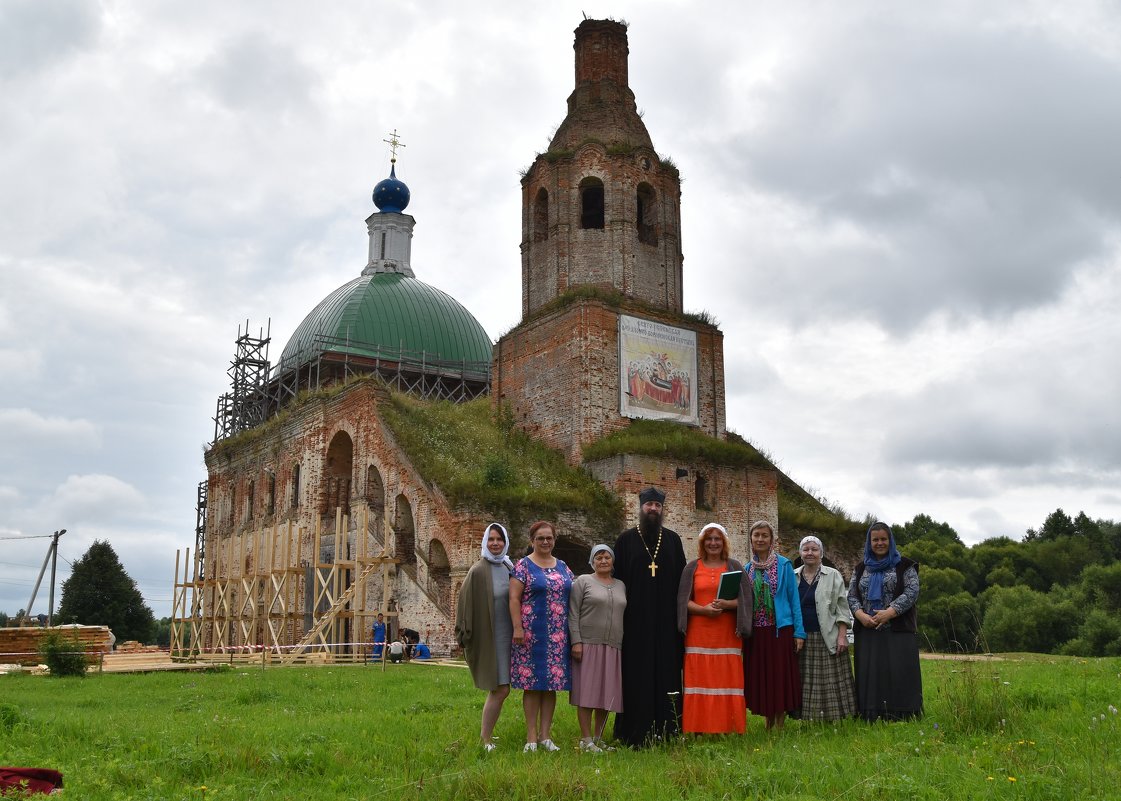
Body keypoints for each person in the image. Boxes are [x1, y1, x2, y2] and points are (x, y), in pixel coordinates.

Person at [612, 487, 687, 747]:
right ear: (641, 507)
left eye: (657, 505)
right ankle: (633, 731)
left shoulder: (673, 540)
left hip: (667, 623)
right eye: (649, 505)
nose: (653, 509)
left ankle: (670, 729)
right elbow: (616, 582)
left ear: (663, 508)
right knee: (636, 674)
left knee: (667, 673)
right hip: (634, 623)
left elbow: (682, 583)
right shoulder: (625, 541)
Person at [676, 523, 752, 734]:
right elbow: (683, 602)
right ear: (702, 543)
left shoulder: (734, 566)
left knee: (725, 679)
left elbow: (747, 600)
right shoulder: (692, 567)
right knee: (699, 680)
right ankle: (697, 727)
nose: (713, 543)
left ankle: (728, 726)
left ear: (724, 542)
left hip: (727, 634)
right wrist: (703, 610)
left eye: (717, 539)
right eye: (709, 539)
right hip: (698, 633)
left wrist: (727, 605)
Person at [510, 520, 574, 752]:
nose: (545, 542)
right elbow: (514, 598)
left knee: (551, 685)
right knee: (532, 685)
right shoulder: (523, 566)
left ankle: (546, 736)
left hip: (558, 634)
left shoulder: (563, 566)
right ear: (532, 541)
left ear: (554, 540)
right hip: (530, 633)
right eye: (540, 538)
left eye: (549, 538)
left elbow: (573, 593)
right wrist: (517, 627)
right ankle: (531, 737)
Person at [848, 521, 922, 721]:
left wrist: (889, 612)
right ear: (869, 542)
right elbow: (852, 595)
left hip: (898, 628)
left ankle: (903, 713)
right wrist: (861, 615)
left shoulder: (905, 565)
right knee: (871, 673)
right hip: (868, 629)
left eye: (883, 539)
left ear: (890, 540)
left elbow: (912, 592)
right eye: (875, 540)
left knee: (899, 671)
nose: (879, 543)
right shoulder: (861, 568)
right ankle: (871, 713)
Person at [455, 523, 516, 752]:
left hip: (510, 636)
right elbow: (464, 604)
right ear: (485, 542)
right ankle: (485, 739)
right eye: (491, 539)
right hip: (491, 637)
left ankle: (488, 735)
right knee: (499, 689)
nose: (495, 543)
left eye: (499, 539)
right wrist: (463, 636)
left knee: (503, 688)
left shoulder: (509, 566)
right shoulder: (478, 570)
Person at [743, 520, 804, 730]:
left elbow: (793, 599)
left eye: (764, 535)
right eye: (756, 535)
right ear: (751, 539)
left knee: (779, 676)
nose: (760, 539)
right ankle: (767, 722)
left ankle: (780, 722)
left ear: (772, 540)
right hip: (757, 632)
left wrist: (799, 632)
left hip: (780, 629)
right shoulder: (747, 569)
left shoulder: (784, 564)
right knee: (763, 677)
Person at [569, 544, 627, 752]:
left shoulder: (621, 585)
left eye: (607, 557)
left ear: (613, 561)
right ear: (592, 561)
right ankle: (586, 739)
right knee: (587, 692)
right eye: (599, 557)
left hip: (613, 645)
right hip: (587, 644)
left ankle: (598, 737)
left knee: (606, 693)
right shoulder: (583, 581)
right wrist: (576, 641)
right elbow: (573, 612)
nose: (603, 561)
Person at [794, 535, 856, 721]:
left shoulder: (833, 575)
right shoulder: (792, 575)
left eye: (814, 549)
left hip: (827, 634)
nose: (810, 553)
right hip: (801, 636)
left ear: (821, 553)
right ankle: (807, 717)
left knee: (828, 681)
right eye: (806, 549)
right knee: (805, 680)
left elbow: (842, 608)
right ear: (800, 553)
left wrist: (842, 636)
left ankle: (835, 717)